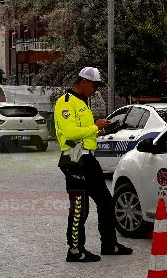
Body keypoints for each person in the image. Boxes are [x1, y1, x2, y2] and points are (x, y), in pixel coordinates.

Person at [55, 66, 133, 263]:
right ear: (84, 82)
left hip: (88, 159)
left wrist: (101, 132)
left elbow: (84, 131)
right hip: (74, 160)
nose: (96, 90)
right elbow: (71, 133)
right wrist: (94, 126)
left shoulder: (83, 102)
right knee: (80, 207)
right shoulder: (65, 103)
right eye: (95, 86)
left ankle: (109, 244)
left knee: (106, 202)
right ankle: (75, 250)